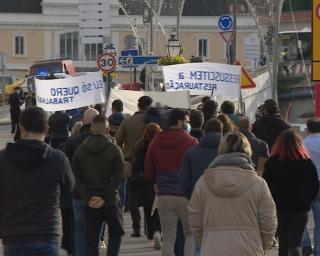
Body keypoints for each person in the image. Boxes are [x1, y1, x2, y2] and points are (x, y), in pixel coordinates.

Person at [0, 107, 75, 256]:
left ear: (21, 127)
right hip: (45, 234)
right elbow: (69, 188)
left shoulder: (3, 160)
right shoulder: (57, 159)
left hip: (13, 237)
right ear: (47, 128)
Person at [189, 132, 277, 256]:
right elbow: (268, 220)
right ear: (247, 151)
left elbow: (194, 217)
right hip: (250, 248)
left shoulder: (203, 182)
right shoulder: (258, 184)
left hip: (213, 248)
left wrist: (206, 241)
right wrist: (263, 245)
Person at [145, 108, 198, 256]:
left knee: (168, 238)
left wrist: (156, 181)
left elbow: (148, 170)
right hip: (185, 195)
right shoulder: (191, 141)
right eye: (186, 121)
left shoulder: (156, 141)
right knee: (189, 235)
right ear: (180, 121)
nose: (187, 124)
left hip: (164, 194)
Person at [72, 115, 125, 256]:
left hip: (90, 202)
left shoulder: (80, 150)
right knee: (116, 233)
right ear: (107, 129)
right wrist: (104, 195)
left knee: (91, 237)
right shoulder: (114, 149)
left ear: (91, 128)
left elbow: (75, 177)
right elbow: (119, 177)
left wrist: (89, 197)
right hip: (111, 200)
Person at [263, 130, 319, 256]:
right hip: (300, 208)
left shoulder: (272, 163)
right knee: (296, 243)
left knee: (283, 243)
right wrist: (307, 200)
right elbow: (314, 185)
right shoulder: (306, 162)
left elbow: (265, 185)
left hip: (279, 208)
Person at [64, 108, 99, 256]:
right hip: (98, 192)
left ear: (83, 121)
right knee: (96, 230)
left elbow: (67, 169)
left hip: (78, 193)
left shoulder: (72, 142)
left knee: (79, 230)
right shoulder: (104, 139)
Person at [116, 96, 153, 234]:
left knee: (133, 196)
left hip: (131, 162)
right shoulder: (154, 122)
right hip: (150, 162)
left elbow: (117, 141)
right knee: (150, 196)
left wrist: (124, 153)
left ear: (138, 106)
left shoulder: (128, 121)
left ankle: (136, 228)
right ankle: (150, 228)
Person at [131, 123, 162, 249]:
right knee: (158, 209)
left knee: (148, 209)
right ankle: (157, 231)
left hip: (144, 181)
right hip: (157, 180)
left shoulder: (139, 146)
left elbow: (136, 166)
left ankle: (150, 235)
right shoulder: (159, 145)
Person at [180, 117, 223, 198]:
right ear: (221, 132)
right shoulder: (228, 152)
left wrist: (192, 197)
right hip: (221, 201)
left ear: (204, 131)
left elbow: (184, 180)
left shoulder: (191, 152)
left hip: (198, 199)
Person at [301, 118, 320, 256]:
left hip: (305, 185)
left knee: (302, 216)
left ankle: (306, 244)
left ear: (308, 129)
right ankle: (318, 250)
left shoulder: (302, 144)